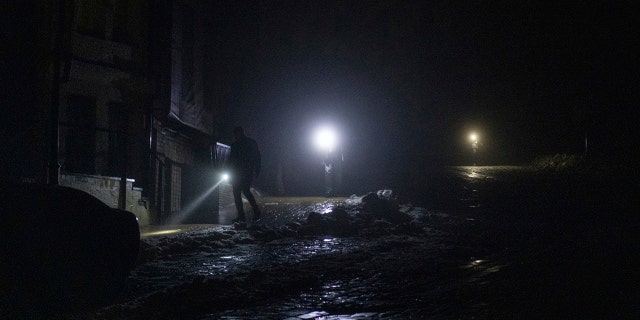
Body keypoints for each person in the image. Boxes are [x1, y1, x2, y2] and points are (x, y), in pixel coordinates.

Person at [228, 126, 261, 223]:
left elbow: (231, 161)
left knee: (238, 193)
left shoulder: (235, 145)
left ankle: (242, 216)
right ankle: (254, 212)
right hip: (246, 172)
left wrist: (229, 171)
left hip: (239, 173)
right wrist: (257, 170)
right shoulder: (251, 143)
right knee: (244, 192)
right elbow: (257, 157)